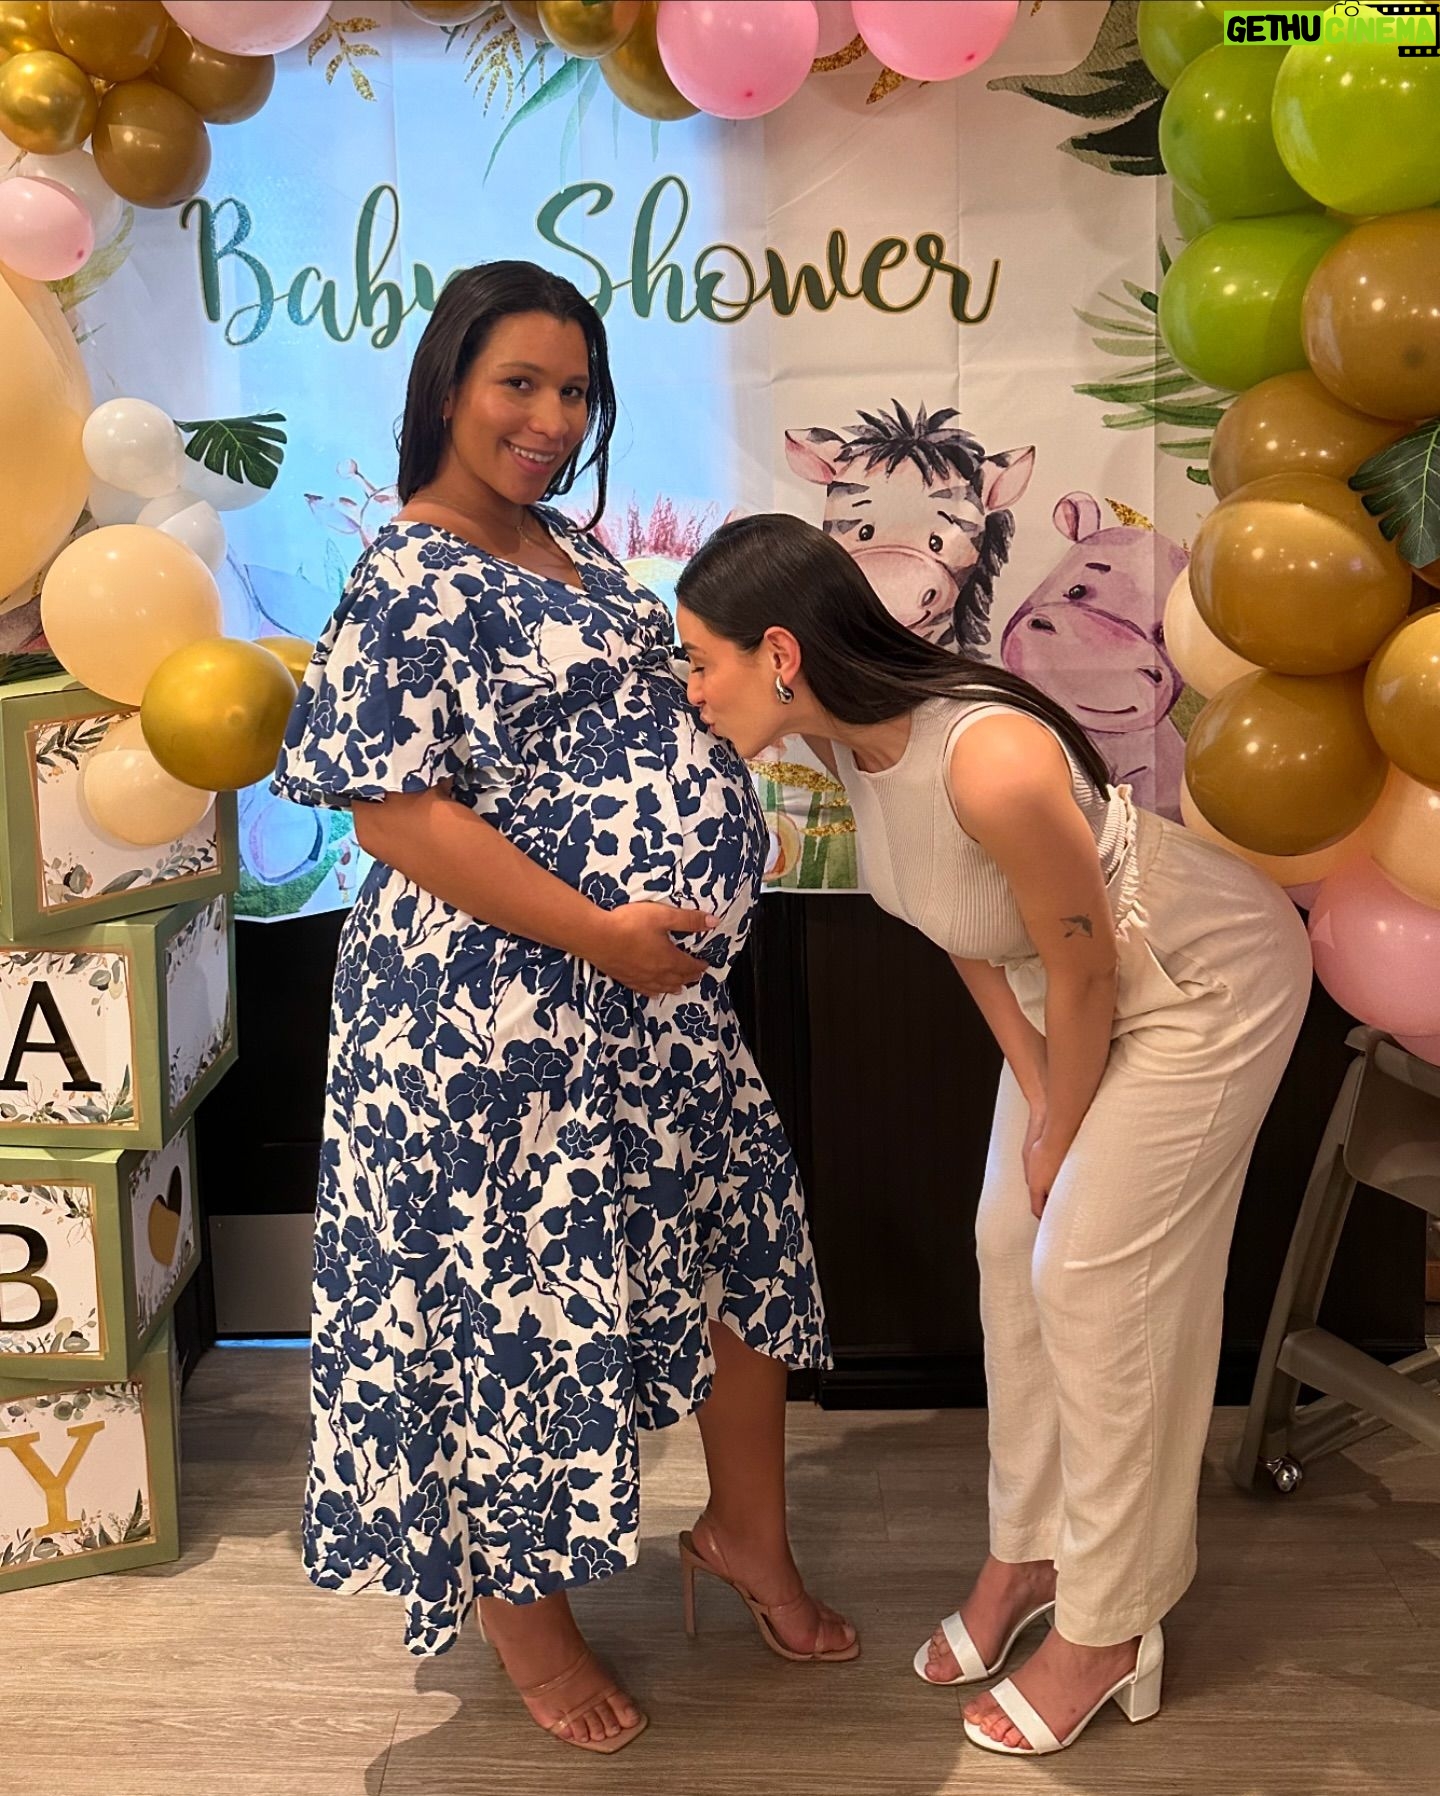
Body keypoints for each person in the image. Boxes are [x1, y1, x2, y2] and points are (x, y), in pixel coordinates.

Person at [271, 267, 855, 1759]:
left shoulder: (572, 547)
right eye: (518, 383)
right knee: (503, 1315)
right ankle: (524, 1622)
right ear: (447, 387)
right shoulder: (407, 573)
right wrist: (599, 927)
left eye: (575, 389)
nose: (550, 418)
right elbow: (393, 815)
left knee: (737, 1251)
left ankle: (746, 1533)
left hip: (649, 1010)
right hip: (487, 1023)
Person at [673, 512, 1311, 1759]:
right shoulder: (851, 743)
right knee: (1009, 1246)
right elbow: (956, 920)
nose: (691, 690)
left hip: (1203, 981)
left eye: (702, 660)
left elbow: (1091, 968)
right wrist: (1032, 1088)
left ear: (781, 653)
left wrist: (1058, 1128)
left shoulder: (990, 758)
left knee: (1094, 1274)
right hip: (1072, 996)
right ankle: (1030, 1554)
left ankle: (1112, 1621)